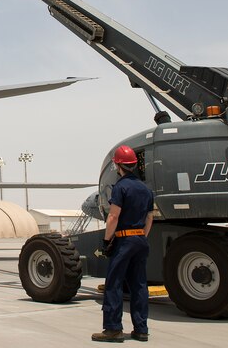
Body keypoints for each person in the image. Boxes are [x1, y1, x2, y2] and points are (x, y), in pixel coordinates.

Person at [92, 145, 154, 343]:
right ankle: (141, 329)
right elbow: (150, 218)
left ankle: (113, 329)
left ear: (118, 165)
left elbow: (113, 216)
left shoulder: (121, 187)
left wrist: (106, 240)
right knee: (139, 285)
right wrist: (141, 236)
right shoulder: (146, 189)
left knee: (114, 284)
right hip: (140, 241)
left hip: (125, 240)